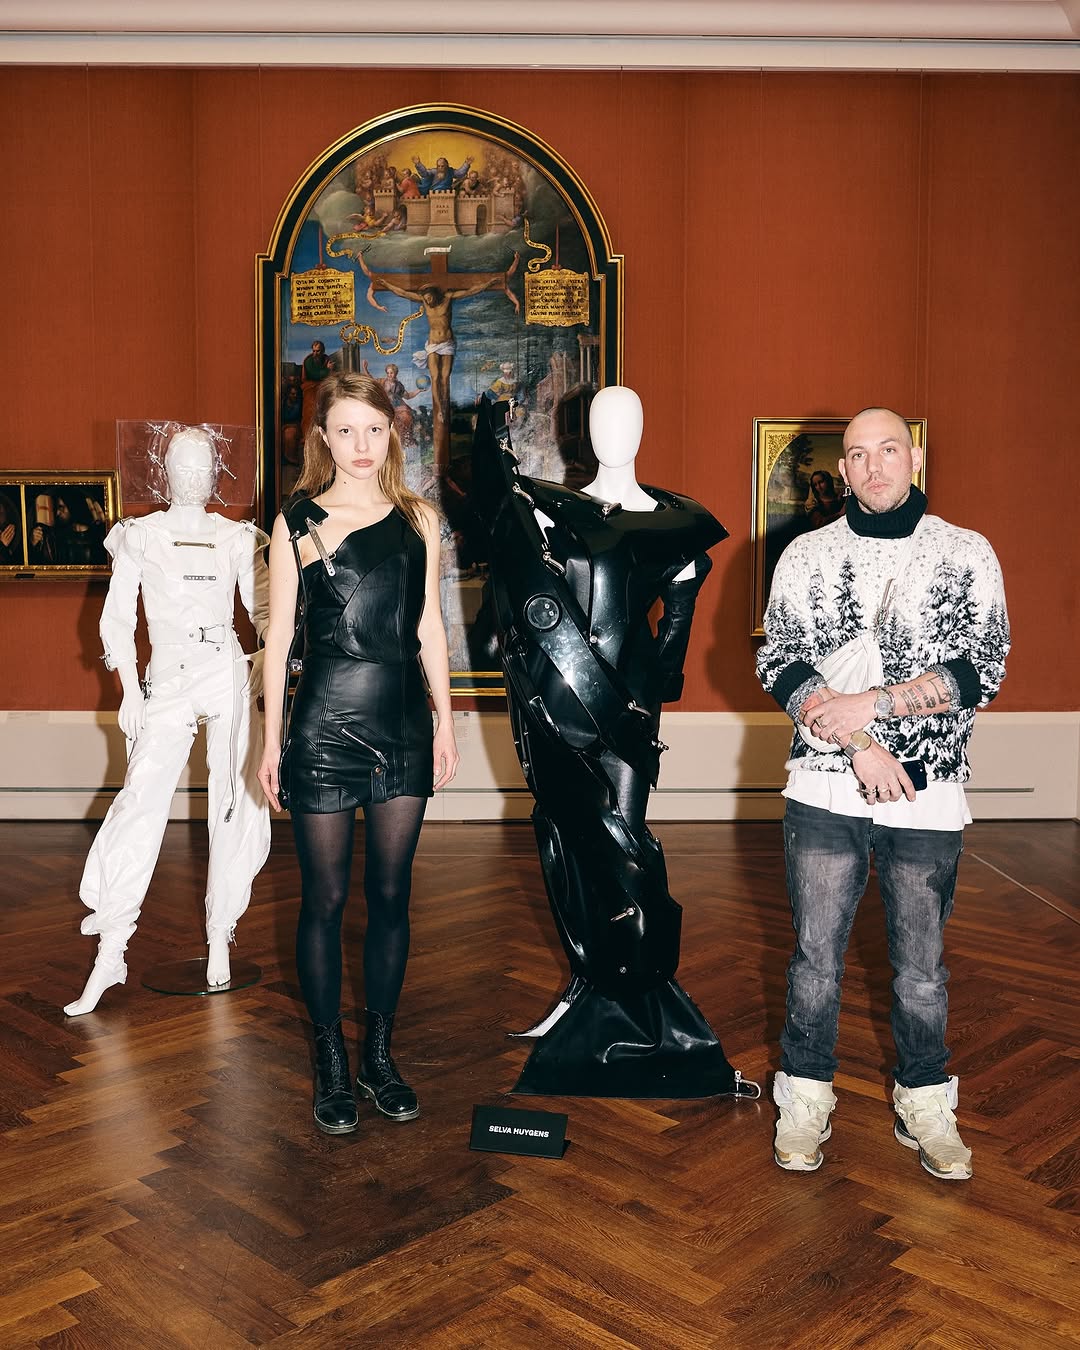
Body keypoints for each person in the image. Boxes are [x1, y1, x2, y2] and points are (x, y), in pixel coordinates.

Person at [471, 388, 752, 1099]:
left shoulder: (679, 525)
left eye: (624, 420)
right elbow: (516, 603)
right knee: (563, 837)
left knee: (624, 845)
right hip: (554, 703)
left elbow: (673, 638)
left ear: (643, 429)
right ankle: (587, 979)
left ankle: (637, 992)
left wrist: (644, 706)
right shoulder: (547, 510)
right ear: (585, 431)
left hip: (626, 710)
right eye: (601, 420)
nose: (612, 433)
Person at [756, 406, 1009, 1181]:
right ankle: (805, 1097)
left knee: (922, 967)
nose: (873, 466)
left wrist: (875, 705)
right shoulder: (806, 554)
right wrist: (860, 744)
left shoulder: (966, 552)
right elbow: (779, 663)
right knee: (814, 959)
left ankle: (925, 1101)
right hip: (824, 786)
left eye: (888, 449)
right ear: (844, 469)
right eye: (858, 455)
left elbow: (982, 669)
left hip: (927, 793)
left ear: (915, 456)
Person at [258, 372, 459, 1136]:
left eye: (373, 429)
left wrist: (446, 724)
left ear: (392, 431)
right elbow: (280, 640)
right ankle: (330, 1062)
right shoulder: (296, 521)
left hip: (403, 723)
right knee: (325, 899)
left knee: (392, 895)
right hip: (321, 728)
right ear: (323, 438)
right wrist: (271, 741)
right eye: (345, 430)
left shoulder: (419, 517)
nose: (361, 445)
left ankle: (377, 1055)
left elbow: (430, 628)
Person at [65, 427, 271, 1015]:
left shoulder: (236, 537)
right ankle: (112, 949)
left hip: (225, 672)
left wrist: (265, 664)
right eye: (182, 465)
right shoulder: (141, 536)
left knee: (234, 803)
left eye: (202, 467)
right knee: (140, 801)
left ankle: (220, 934)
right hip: (168, 678)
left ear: (215, 474)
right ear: (165, 471)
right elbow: (117, 619)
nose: (192, 477)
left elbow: (264, 610)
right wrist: (130, 691)